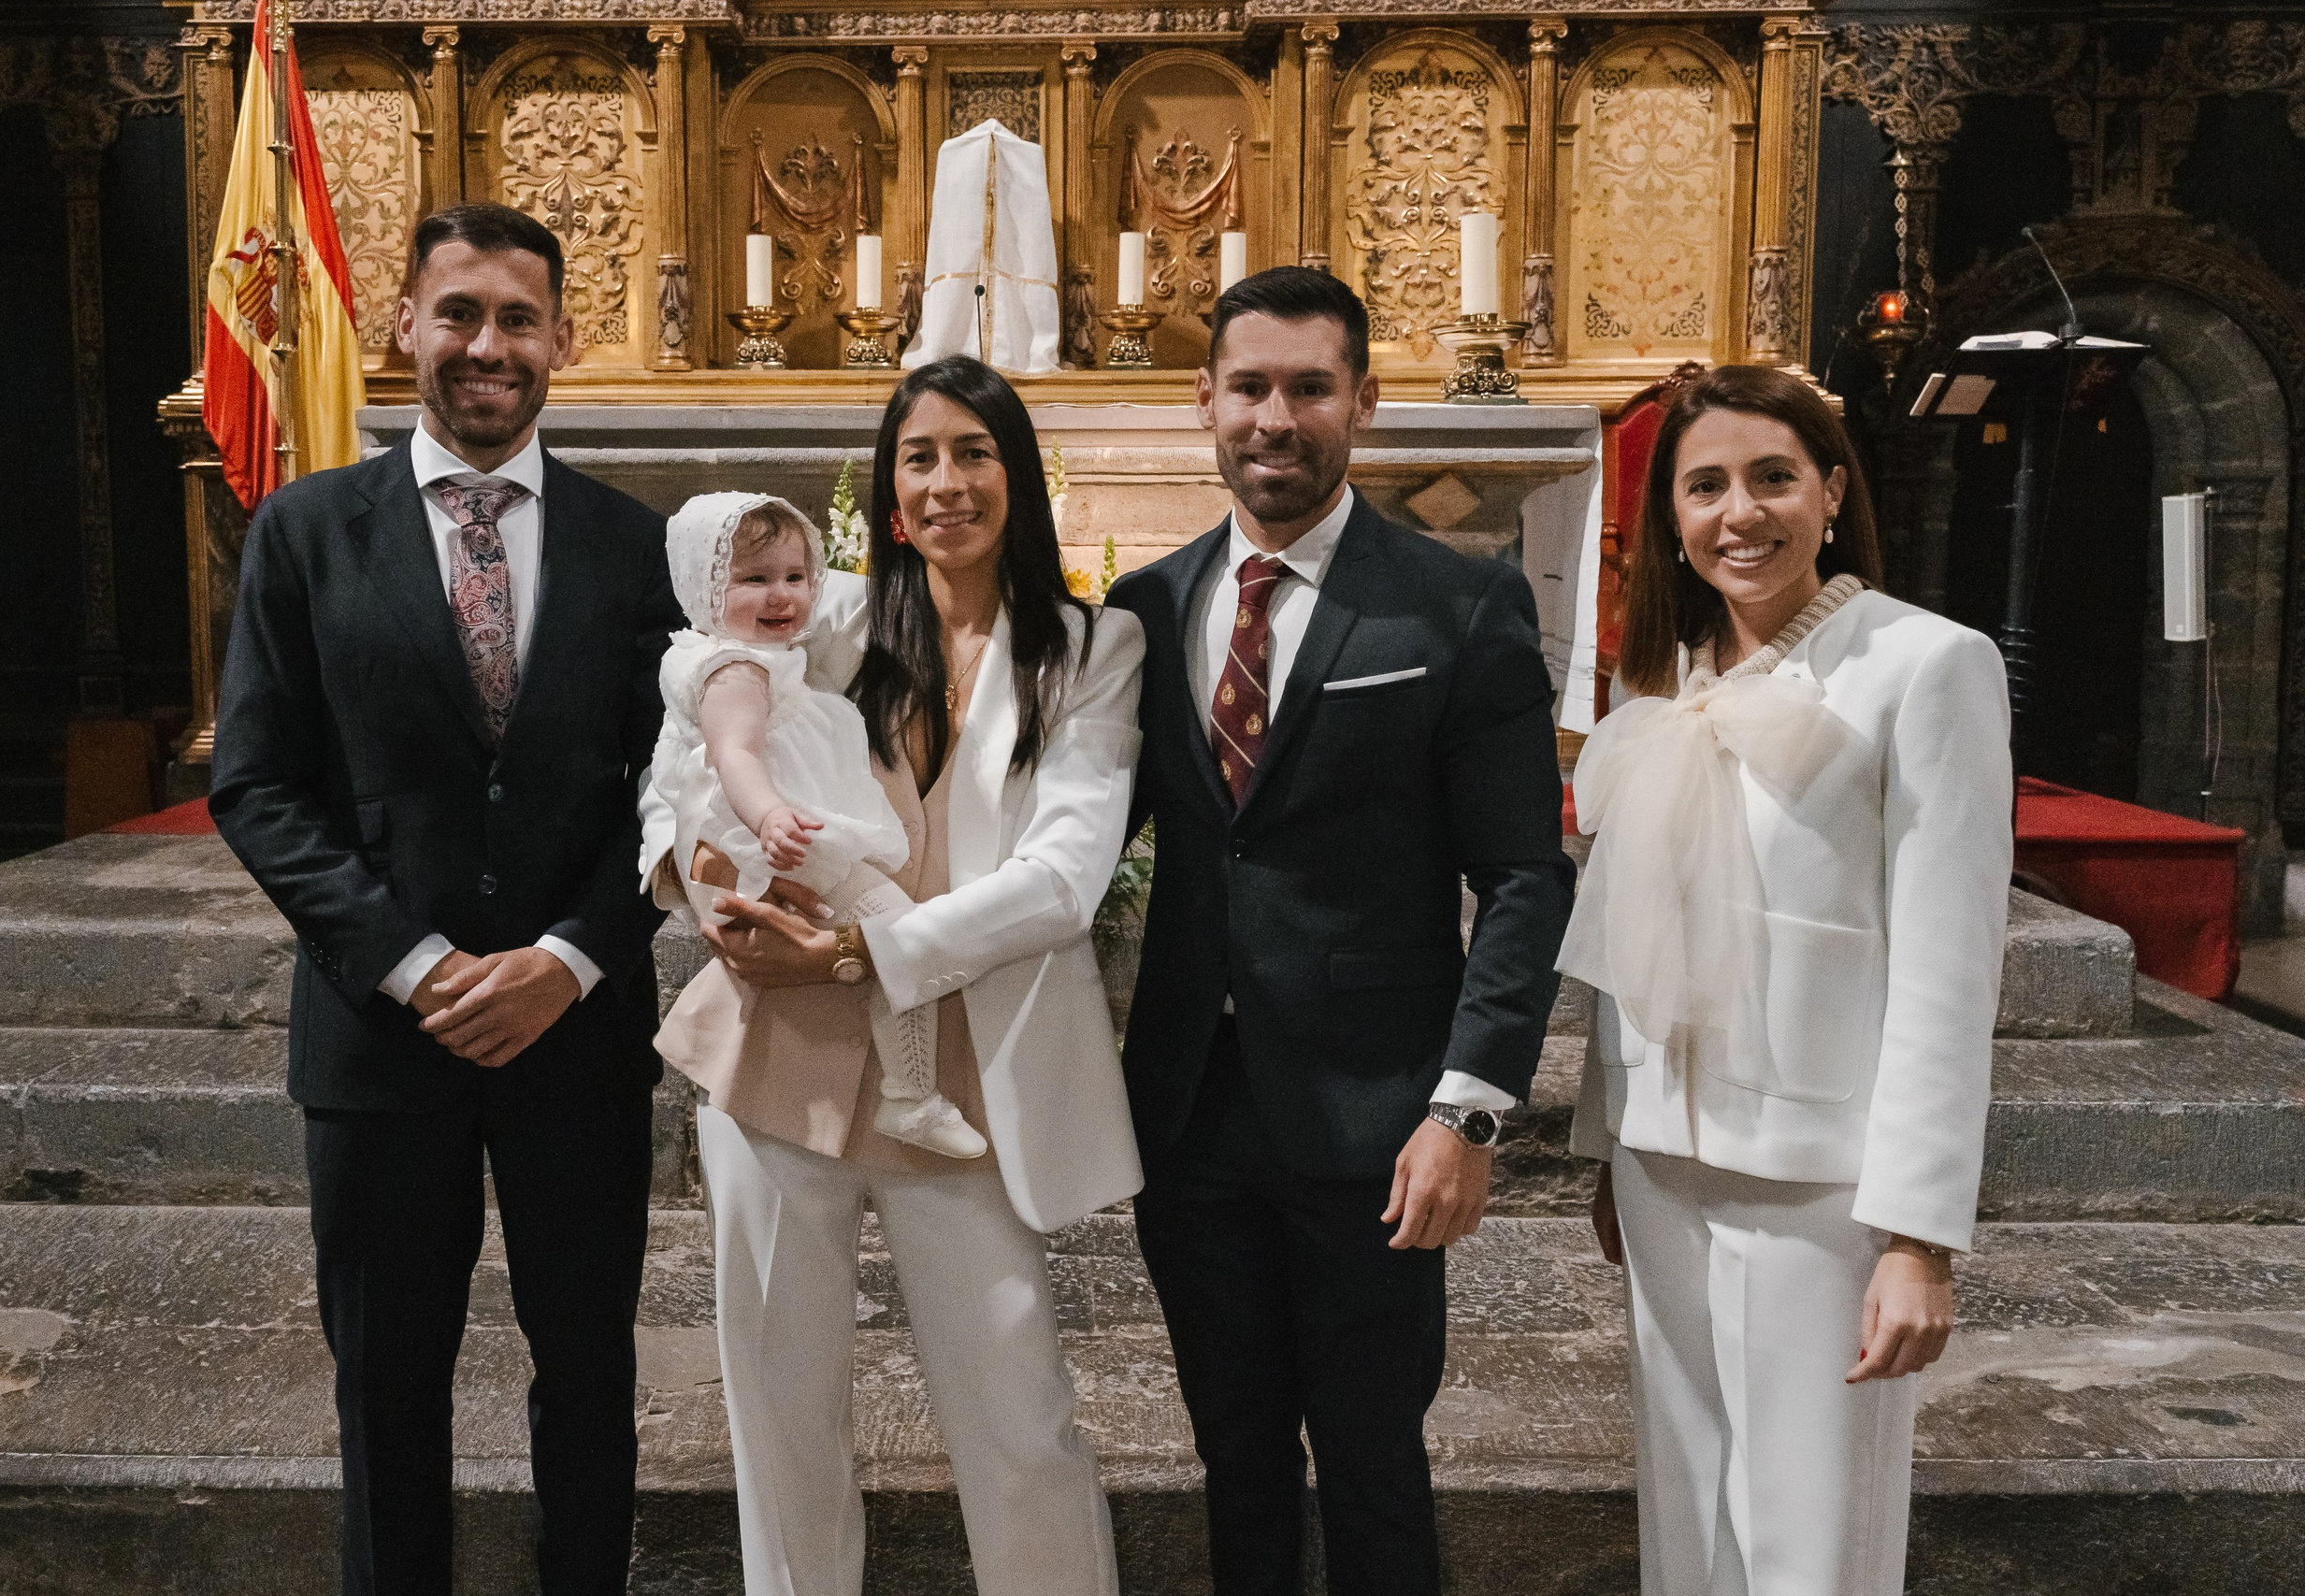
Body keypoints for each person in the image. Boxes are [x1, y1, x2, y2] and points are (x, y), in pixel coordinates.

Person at [210, 202, 684, 1596]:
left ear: (563, 340)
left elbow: (674, 790)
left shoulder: (632, 544)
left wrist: (572, 956)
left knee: (590, 1369)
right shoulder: (303, 532)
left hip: (577, 1036)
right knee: (389, 1382)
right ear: (403, 325)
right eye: (461, 312)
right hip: (378, 1039)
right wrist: (413, 963)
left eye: (519, 318)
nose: (490, 344)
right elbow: (257, 783)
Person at [1104, 266, 1576, 1596]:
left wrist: (1468, 1107)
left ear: (1362, 401)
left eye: (1310, 387)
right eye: (1250, 385)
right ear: (1204, 400)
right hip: (1193, 1112)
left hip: (1378, 1118)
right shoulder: (1143, 609)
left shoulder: (1453, 601)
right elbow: (1069, 846)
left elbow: (1525, 876)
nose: (1276, 416)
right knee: (1235, 1455)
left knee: (1373, 1459)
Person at [640, 353, 1144, 1593]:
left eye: (973, 451)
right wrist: (700, 887)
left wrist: (865, 944)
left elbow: (1066, 872)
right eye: (919, 456)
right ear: (887, 483)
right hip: (779, 1053)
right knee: (780, 1416)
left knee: (1021, 1413)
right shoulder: (829, 610)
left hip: (958, 1063)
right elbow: (695, 734)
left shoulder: (1090, 643)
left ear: (1017, 472)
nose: (946, 480)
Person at [1561, 362, 2012, 1596]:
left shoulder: (1926, 664)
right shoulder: (1663, 679)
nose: (1738, 511)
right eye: (1704, 486)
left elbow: (1946, 966)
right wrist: (1613, 1141)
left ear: (1830, 489)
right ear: (1672, 518)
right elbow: (1635, 949)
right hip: (1663, 1168)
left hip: (1821, 1181)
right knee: (1686, 1521)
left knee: (1810, 1541)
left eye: (1771, 476)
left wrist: (1920, 1234)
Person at [646, 490, 985, 1158]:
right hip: (779, 841)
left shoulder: (770, 643)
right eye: (754, 579)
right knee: (899, 932)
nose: (783, 596)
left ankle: (910, 1094)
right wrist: (747, 833)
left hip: (787, 835)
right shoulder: (737, 664)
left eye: (795, 578)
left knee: (895, 935)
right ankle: (912, 1095)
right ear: (703, 588)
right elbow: (726, 755)